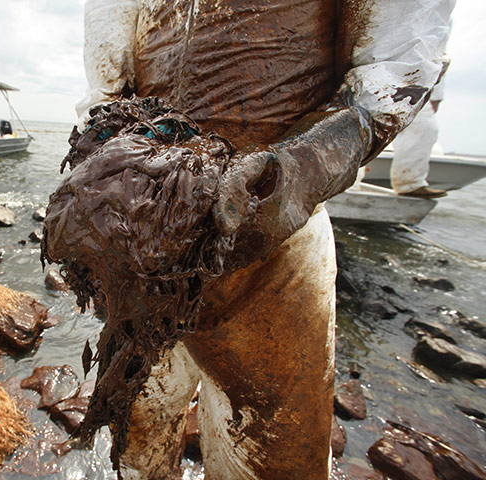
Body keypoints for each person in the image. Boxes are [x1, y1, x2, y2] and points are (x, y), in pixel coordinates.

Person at [71, 1, 455, 479]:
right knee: (137, 440)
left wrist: (297, 168)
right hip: (147, 248)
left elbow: (393, 65)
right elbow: (109, 74)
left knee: (271, 459)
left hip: (275, 253)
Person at [389, 75, 448, 198]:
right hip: (375, 75)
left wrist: (436, 96)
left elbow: (438, 61)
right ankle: (347, 182)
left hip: (414, 84)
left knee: (425, 126)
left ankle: (410, 184)